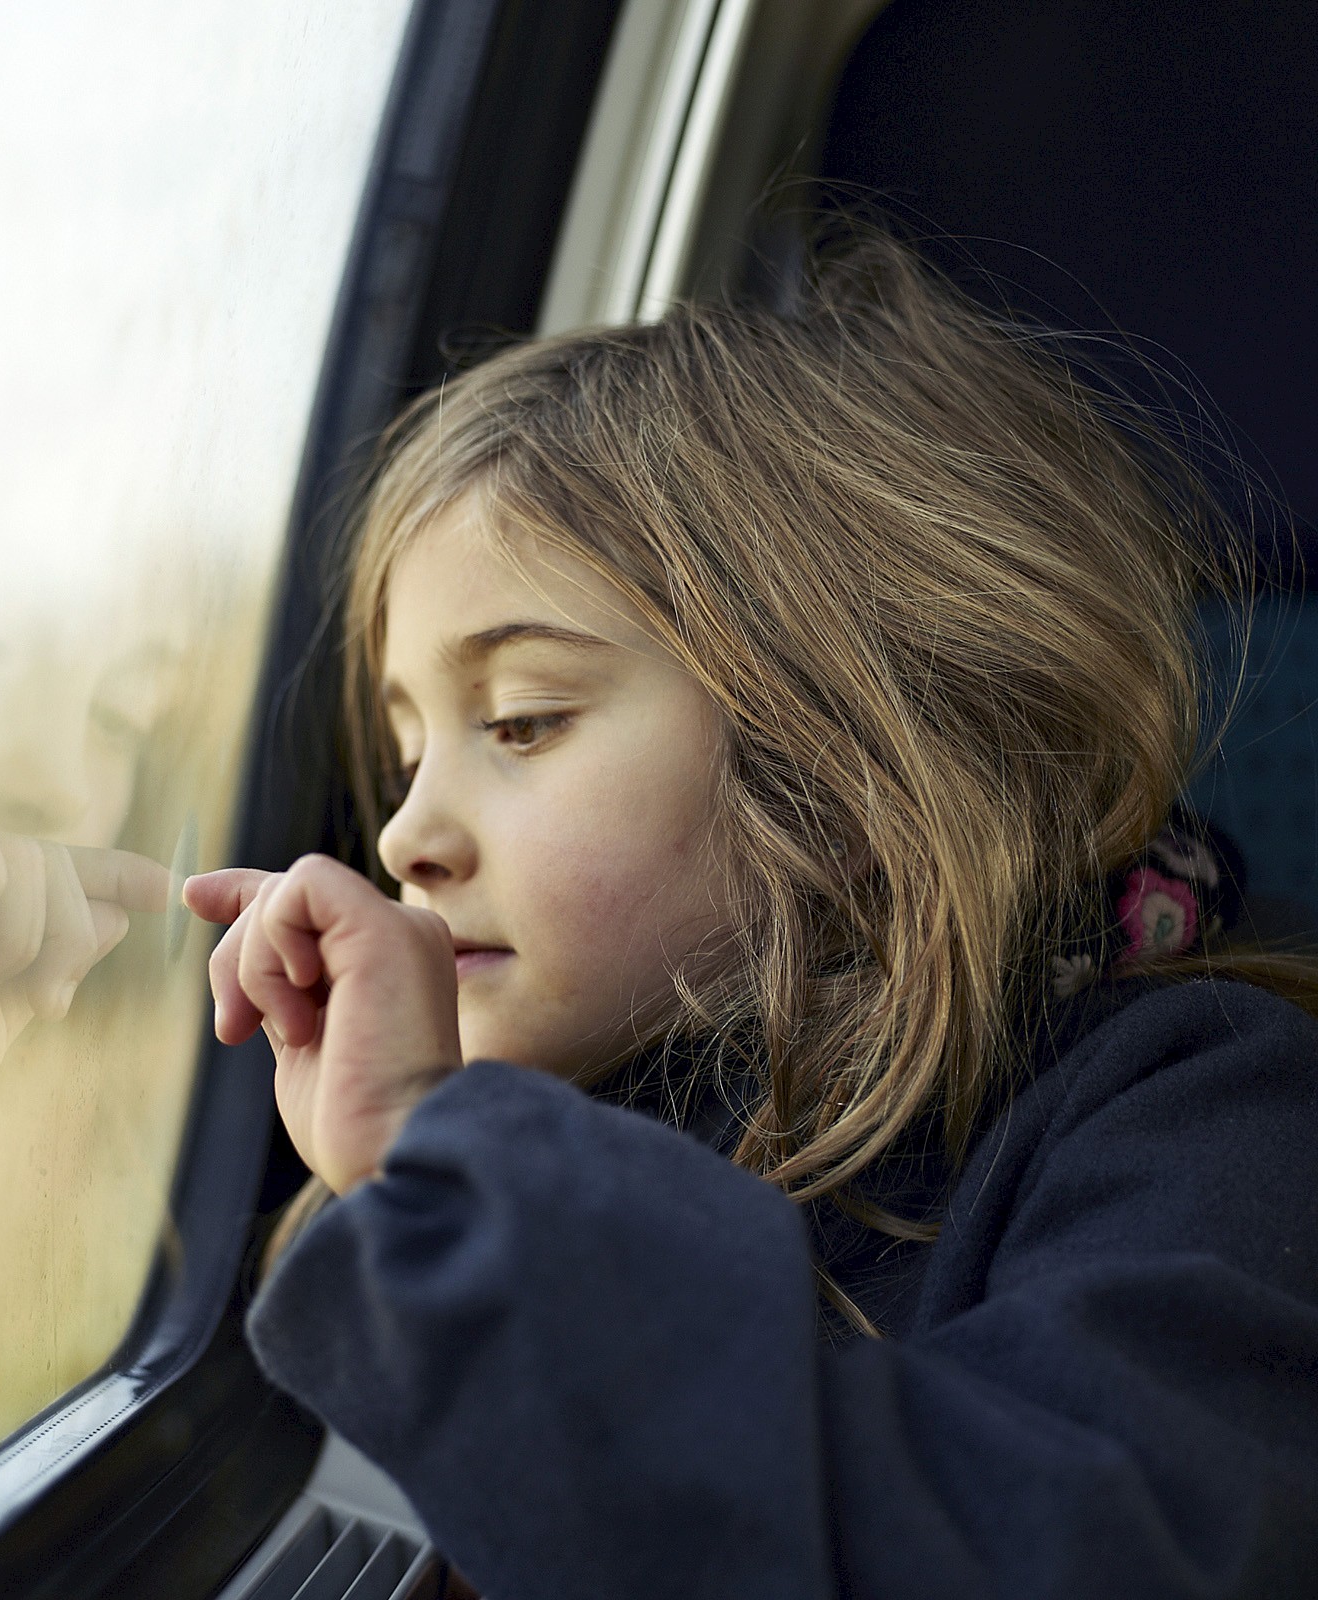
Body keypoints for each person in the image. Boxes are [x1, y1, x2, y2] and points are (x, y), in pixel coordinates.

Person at [180, 232, 1318, 1598]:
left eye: (522, 721)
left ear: (847, 766)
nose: (405, 834)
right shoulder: (588, 1123)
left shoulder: (1211, 1117)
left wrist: (458, 1168)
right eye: (408, 746)